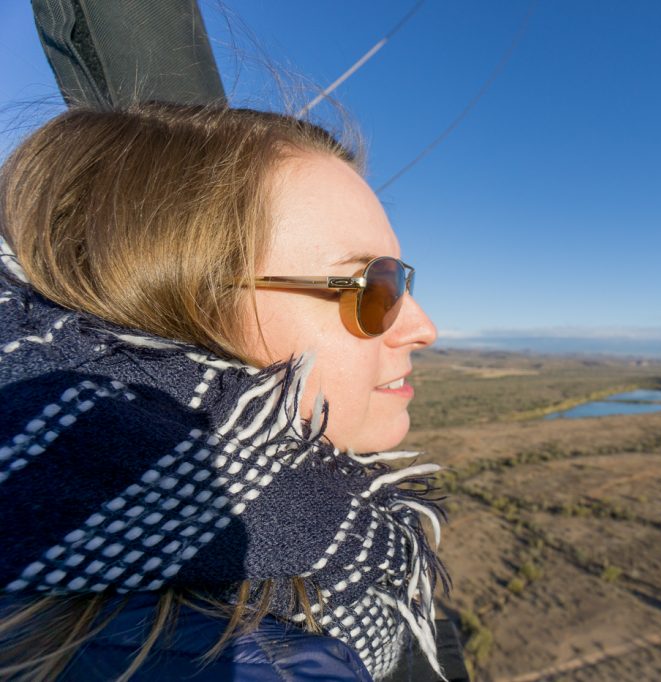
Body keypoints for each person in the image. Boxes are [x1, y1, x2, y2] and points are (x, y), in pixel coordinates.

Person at [0, 102, 457, 681]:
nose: (423, 328)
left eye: (397, 280)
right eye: (371, 286)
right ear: (177, 310)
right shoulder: (219, 659)